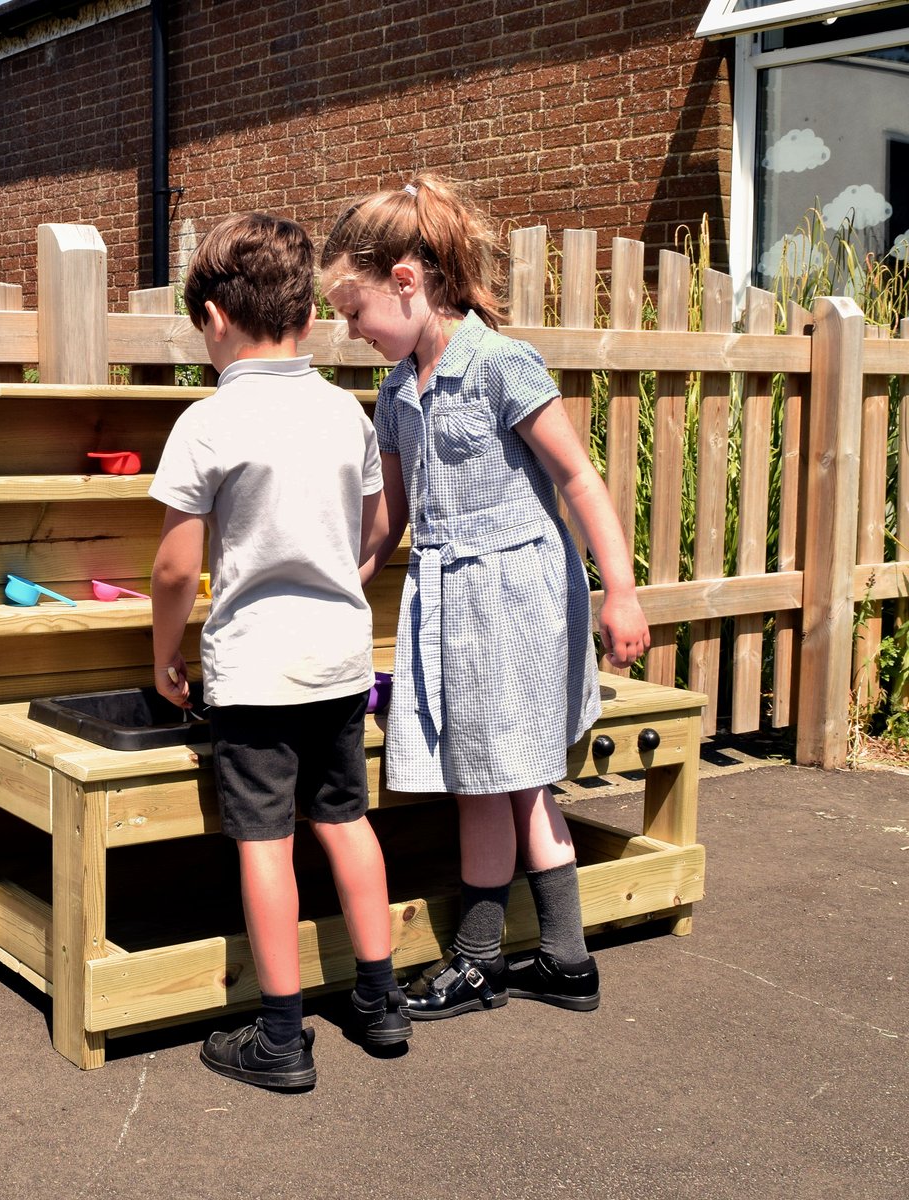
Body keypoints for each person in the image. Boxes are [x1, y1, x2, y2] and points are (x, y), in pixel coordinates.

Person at [319, 175, 650, 1021]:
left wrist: (621, 594)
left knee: (508, 778)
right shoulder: (397, 391)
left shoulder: (500, 364)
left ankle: (477, 962)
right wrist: (344, 580)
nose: (350, 331)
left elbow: (577, 476)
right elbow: (390, 513)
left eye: (354, 310)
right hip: (446, 600)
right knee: (498, 779)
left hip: (520, 593)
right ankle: (566, 963)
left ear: (406, 278)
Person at [149, 211, 410, 1091]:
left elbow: (176, 566)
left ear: (216, 319)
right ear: (304, 313)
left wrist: (163, 656)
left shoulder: (209, 421)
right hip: (340, 662)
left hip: (256, 671)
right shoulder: (346, 415)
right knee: (346, 821)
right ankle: (380, 1003)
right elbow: (375, 532)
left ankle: (282, 1036)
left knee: (264, 841)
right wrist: (339, 577)